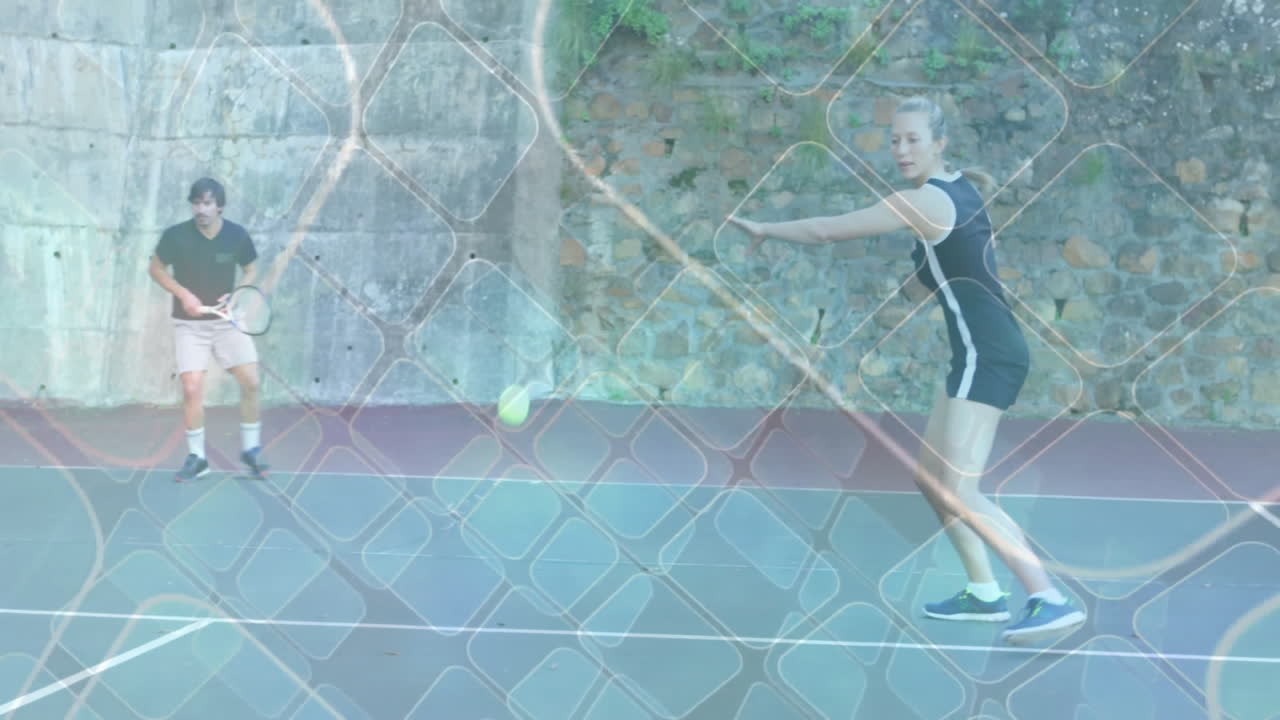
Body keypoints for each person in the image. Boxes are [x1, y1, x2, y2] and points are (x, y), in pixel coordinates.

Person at [727, 97, 1085, 645]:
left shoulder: (924, 202)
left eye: (913, 139)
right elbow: (942, 270)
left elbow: (827, 231)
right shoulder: (960, 191)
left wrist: (765, 229)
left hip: (988, 354)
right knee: (932, 480)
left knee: (962, 489)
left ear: (939, 142)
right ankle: (985, 593)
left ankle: (1048, 597)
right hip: (979, 351)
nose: (900, 149)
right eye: (894, 140)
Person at [149, 178, 269, 482]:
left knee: (251, 382)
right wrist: (183, 294)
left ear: (220, 207)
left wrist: (237, 294)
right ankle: (197, 459)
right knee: (191, 388)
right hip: (190, 326)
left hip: (226, 321)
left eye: (207, 203)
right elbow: (156, 268)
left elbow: (251, 268)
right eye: (196, 203)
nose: (200, 209)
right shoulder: (176, 236)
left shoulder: (237, 236)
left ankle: (251, 452)